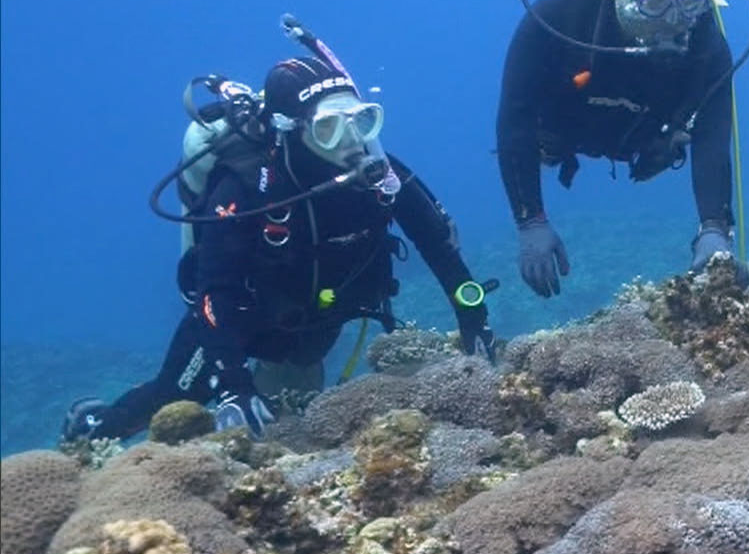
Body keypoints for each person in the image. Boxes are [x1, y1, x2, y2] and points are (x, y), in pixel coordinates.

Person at [63, 57, 494, 443]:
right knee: (175, 400)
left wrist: (473, 317)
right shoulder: (245, 187)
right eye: (328, 127)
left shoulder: (382, 176)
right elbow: (215, 289)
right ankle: (93, 428)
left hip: (316, 321)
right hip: (237, 322)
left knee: (293, 421)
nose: (349, 142)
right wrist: (233, 383)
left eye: (362, 122)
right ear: (292, 128)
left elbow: (438, 247)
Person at [500, 0, 739, 296]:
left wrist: (715, 229)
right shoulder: (558, 16)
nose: (672, 20)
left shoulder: (706, 42)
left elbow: (713, 139)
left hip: (646, 137)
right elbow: (514, 118)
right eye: (655, 1)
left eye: (688, 2)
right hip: (563, 130)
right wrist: (530, 220)